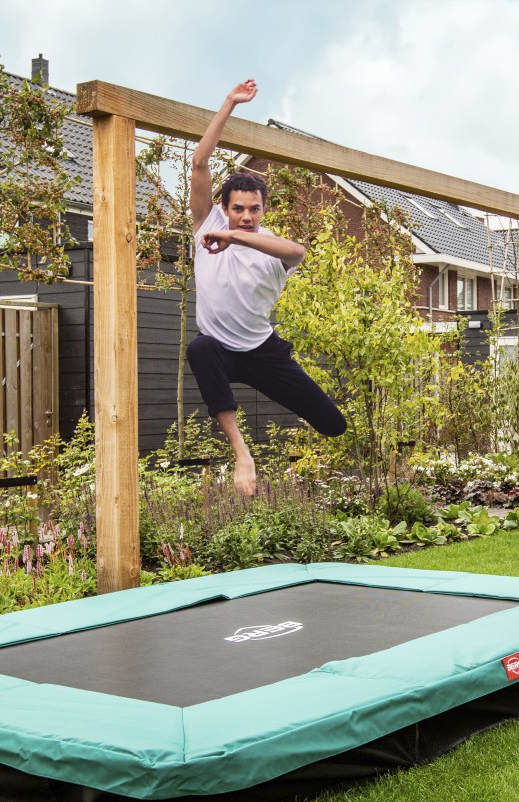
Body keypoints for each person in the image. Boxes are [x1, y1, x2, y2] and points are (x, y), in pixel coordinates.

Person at [187, 78, 346, 495]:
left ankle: (277, 403)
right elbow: (200, 163)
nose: (245, 216)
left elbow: (298, 252)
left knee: (333, 425)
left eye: (253, 210)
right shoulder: (205, 225)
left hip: (262, 353)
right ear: (224, 208)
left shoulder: (271, 246)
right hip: (220, 351)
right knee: (199, 348)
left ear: (263, 210)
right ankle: (242, 453)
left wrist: (235, 238)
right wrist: (229, 103)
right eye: (237, 209)